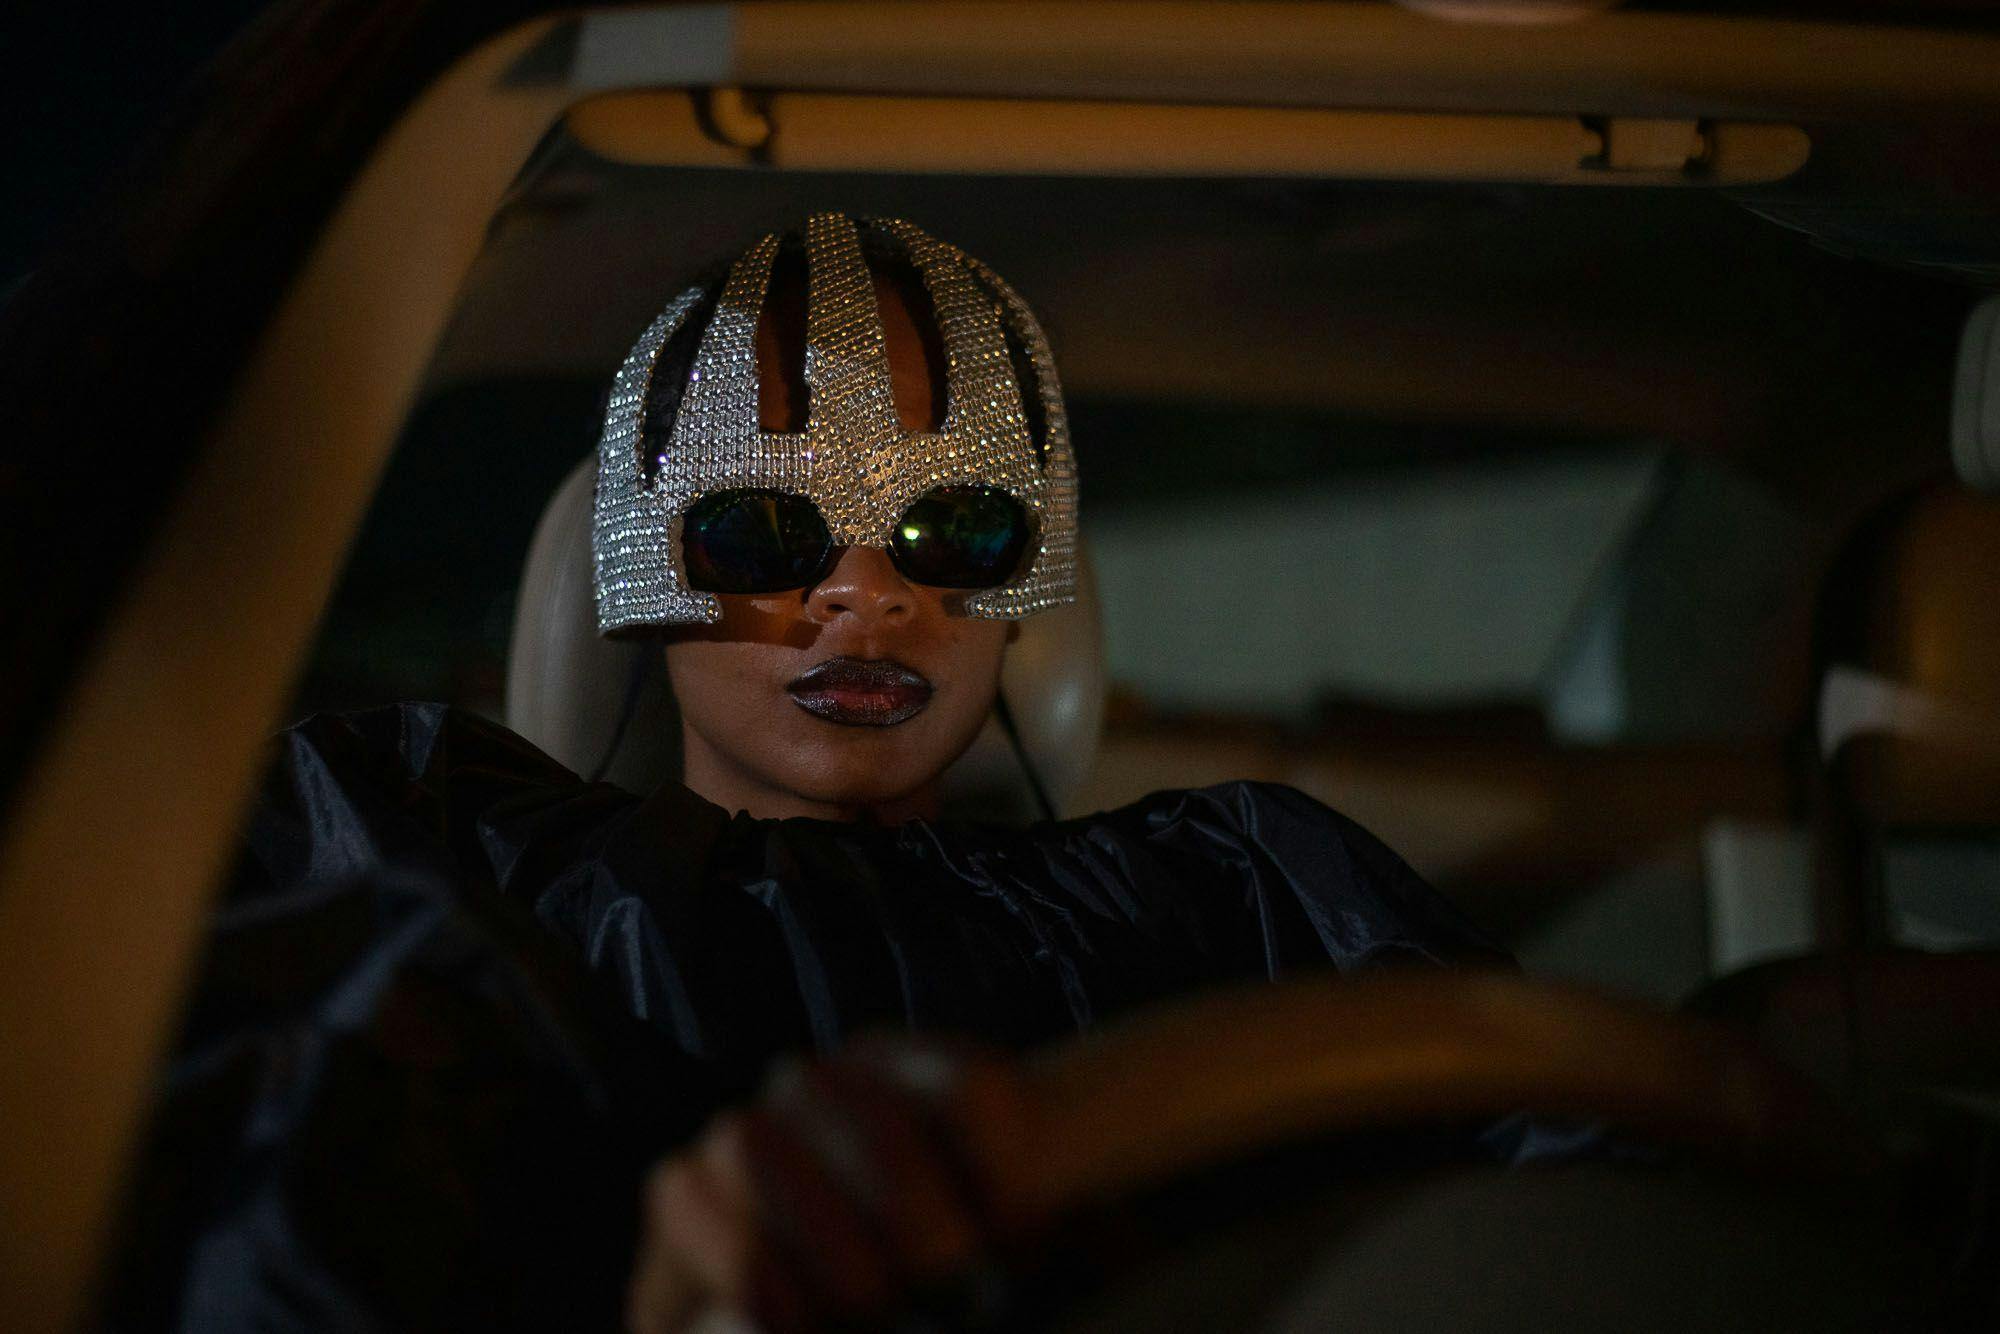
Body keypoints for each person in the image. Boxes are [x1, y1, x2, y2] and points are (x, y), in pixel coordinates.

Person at [108, 215, 1509, 1333]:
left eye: (951, 526)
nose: (865, 596)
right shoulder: (416, 852)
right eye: (764, 529)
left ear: (1030, 582)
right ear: (643, 562)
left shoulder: (1245, 896)